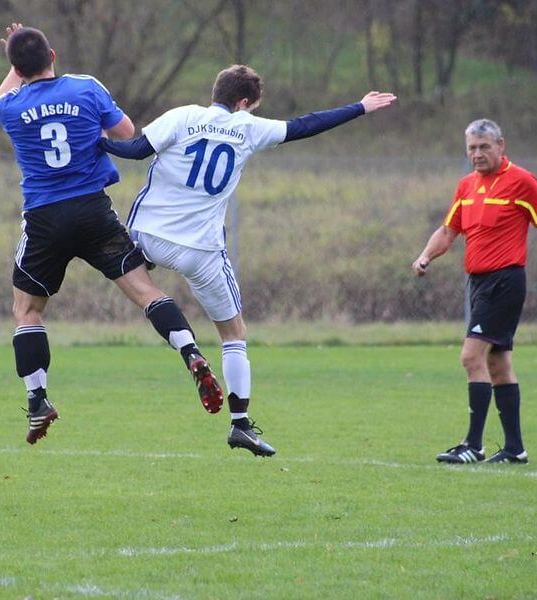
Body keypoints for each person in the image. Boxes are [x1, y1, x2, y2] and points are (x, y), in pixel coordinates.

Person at [99, 65, 396, 456]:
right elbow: (306, 126)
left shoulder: (183, 116)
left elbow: (134, 150)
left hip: (147, 238)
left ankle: (183, 341)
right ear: (243, 104)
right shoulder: (248, 129)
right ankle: (240, 425)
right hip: (200, 251)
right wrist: (359, 107)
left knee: (142, 281)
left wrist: (98, 141)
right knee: (234, 333)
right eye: (252, 107)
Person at [0, 23, 222, 445]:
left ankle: (38, 399)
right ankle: (190, 351)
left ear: (16, 69)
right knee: (145, 291)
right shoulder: (86, 88)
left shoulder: (9, 108)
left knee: (27, 311)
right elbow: (127, 133)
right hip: (93, 210)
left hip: (44, 218)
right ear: (54, 56)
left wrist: (14, 58)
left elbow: (0, 96)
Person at [412, 118, 537, 465]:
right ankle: (515, 449)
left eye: (484, 146)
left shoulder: (522, 181)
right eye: (472, 147)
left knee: (471, 357)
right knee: (498, 364)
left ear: (502, 145)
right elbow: (448, 230)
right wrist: (426, 256)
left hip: (505, 281)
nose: (477, 153)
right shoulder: (466, 186)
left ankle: (474, 444)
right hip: (479, 284)